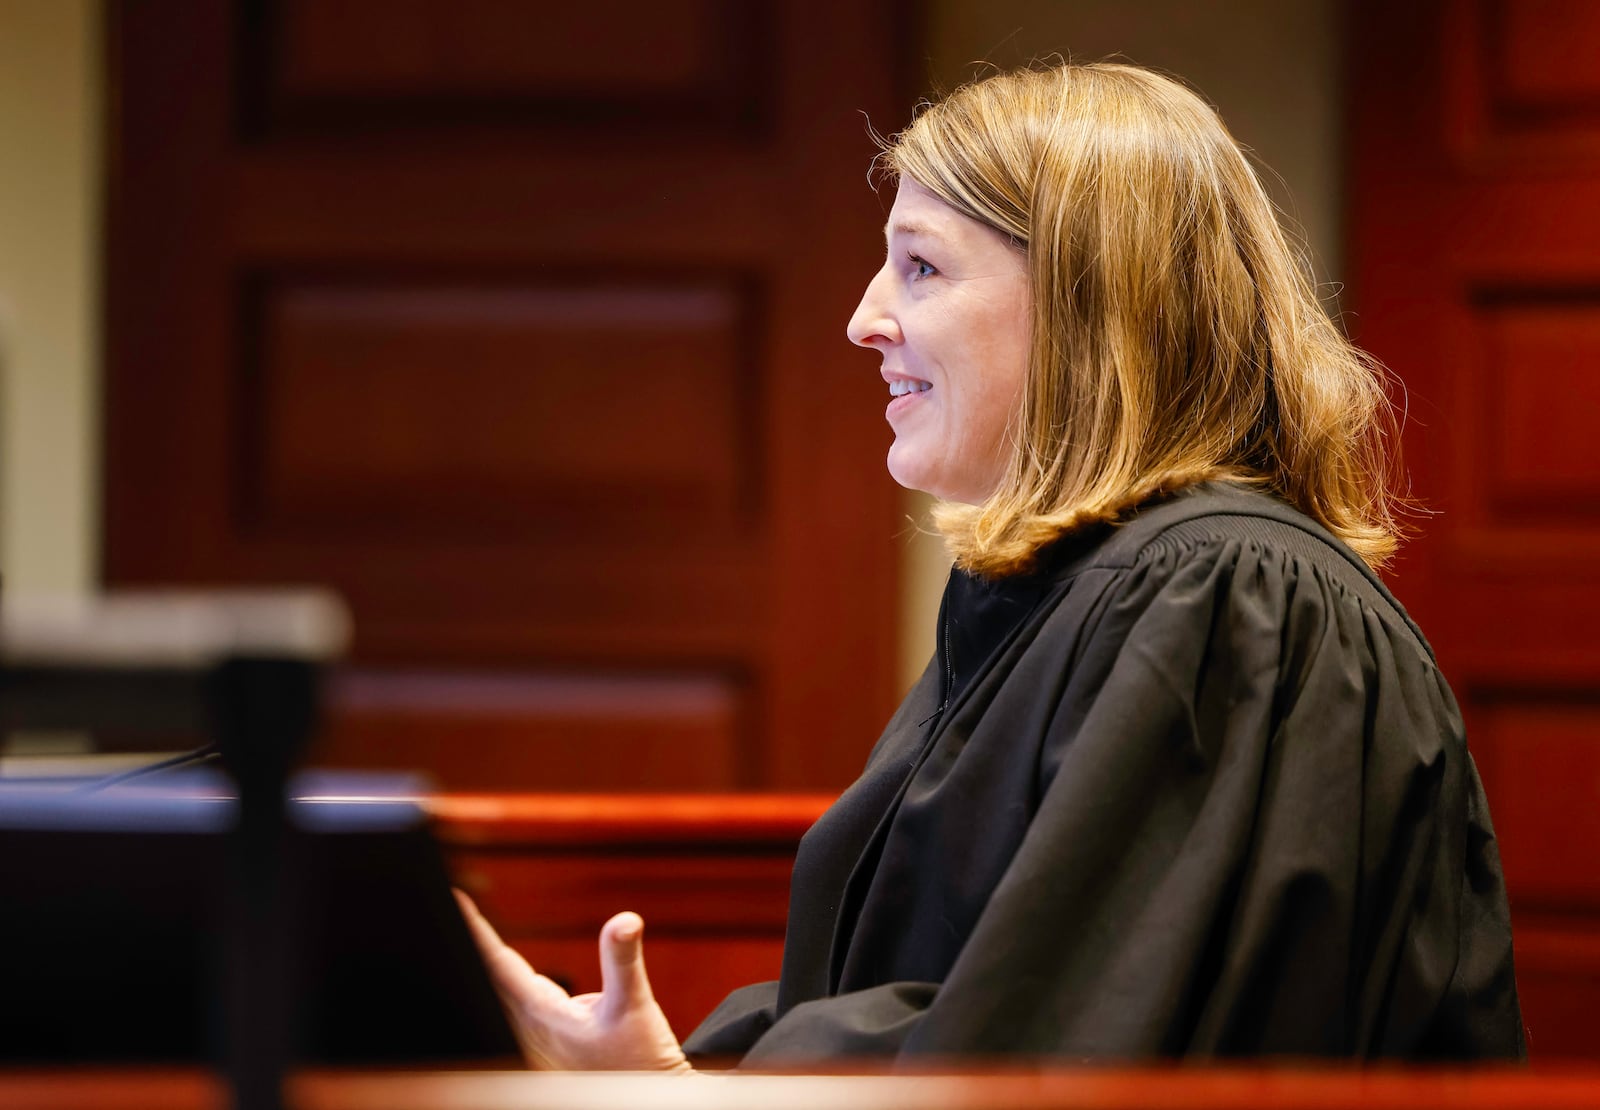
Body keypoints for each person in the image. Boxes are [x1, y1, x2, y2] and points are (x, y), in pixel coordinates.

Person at [457, 60, 1525, 1067]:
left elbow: (1075, 1045)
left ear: (1088, 303)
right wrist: (682, 1071)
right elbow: (949, 989)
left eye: (919, 266)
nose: (863, 319)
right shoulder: (1075, 593)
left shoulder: (1228, 601)